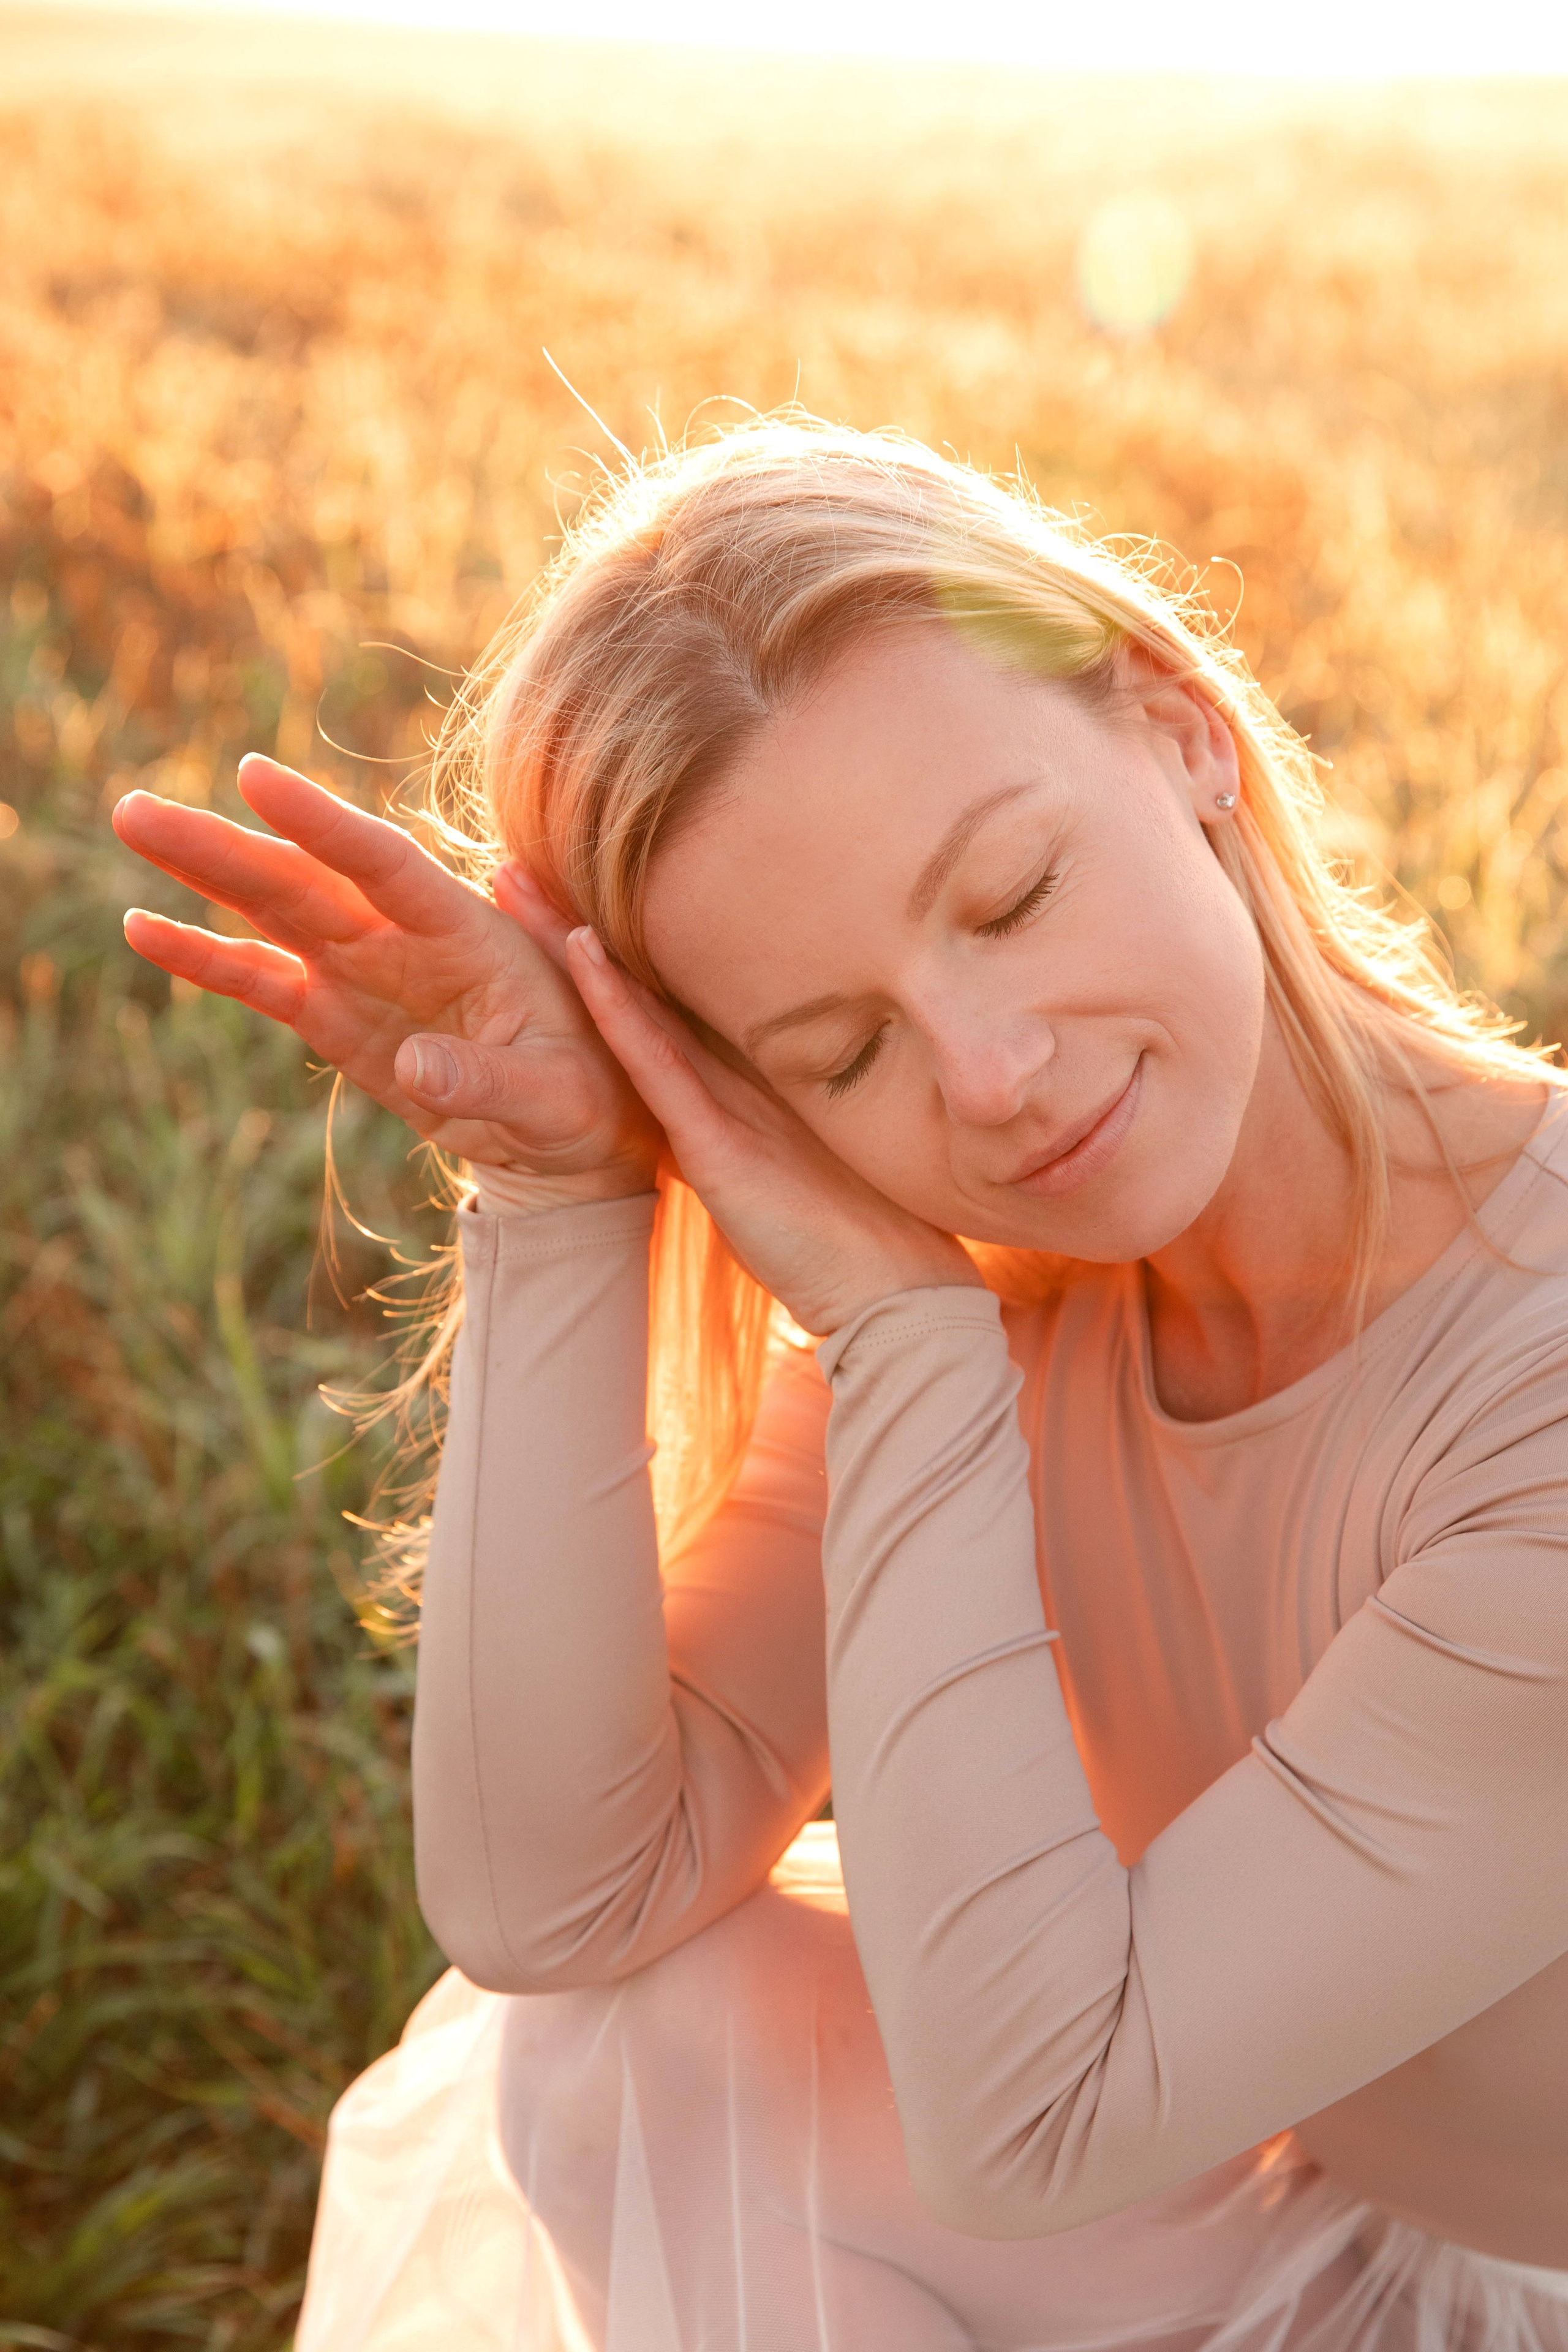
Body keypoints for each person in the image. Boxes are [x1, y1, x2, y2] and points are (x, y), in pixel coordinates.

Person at [115, 424, 1568, 2352]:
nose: (989, 1075)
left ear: (1183, 732)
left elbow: (1044, 2126)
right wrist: (556, 1185)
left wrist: (906, 1349)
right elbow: (557, 1907)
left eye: (1012, 894)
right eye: (840, 1046)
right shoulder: (1018, 1289)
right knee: (624, 2053)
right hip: (1312, 2198)